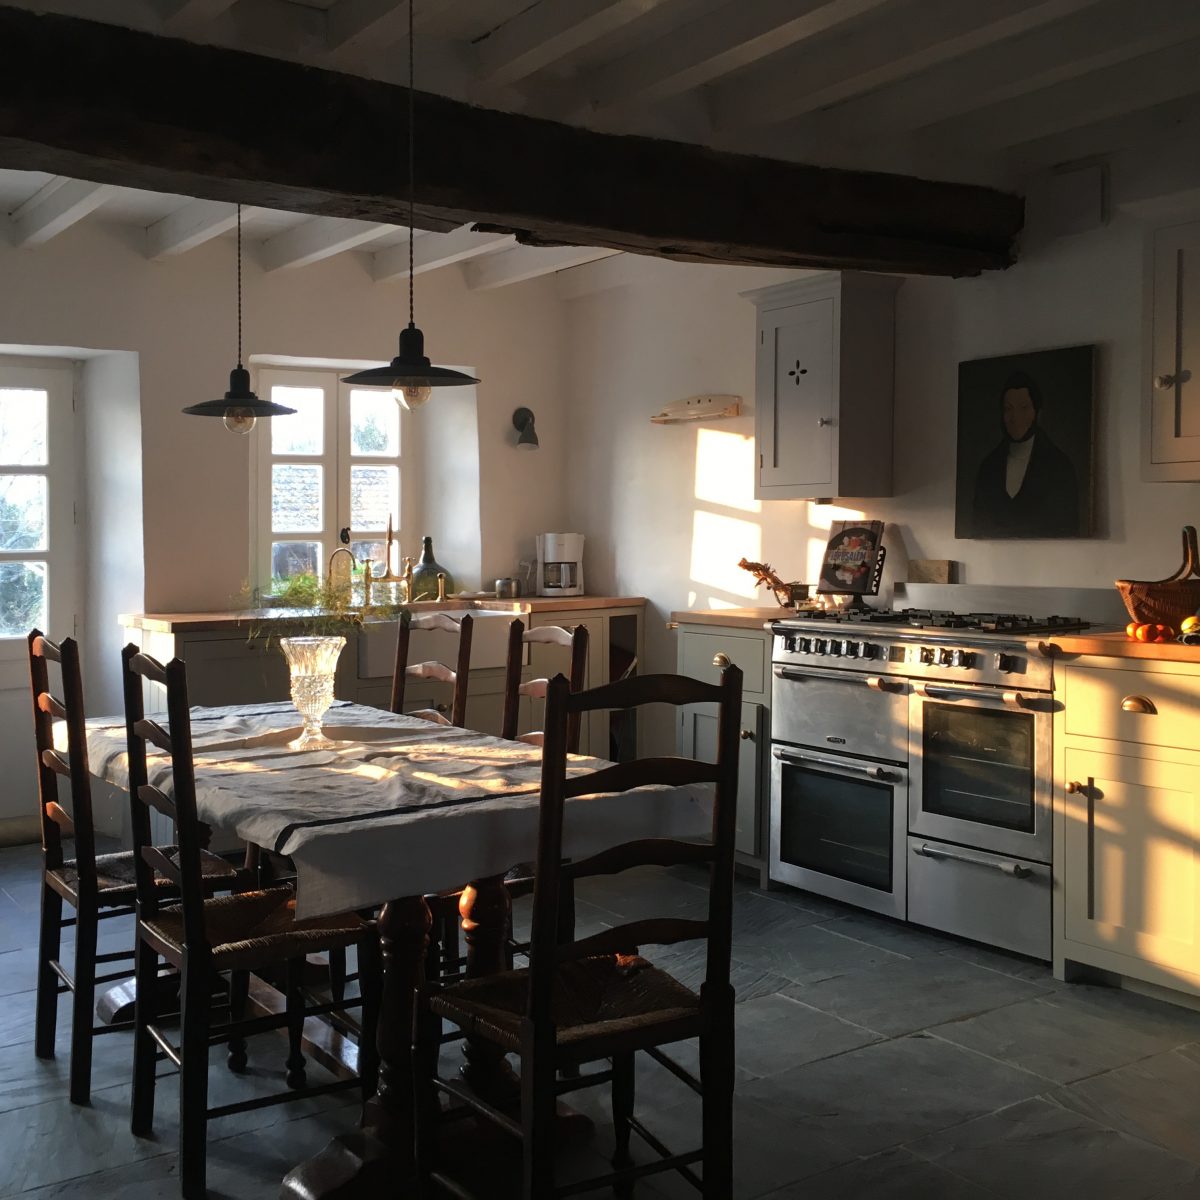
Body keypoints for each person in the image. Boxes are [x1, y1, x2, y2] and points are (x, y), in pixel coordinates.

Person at [970, 371, 1081, 537]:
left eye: (1024, 408)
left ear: (1037, 412)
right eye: (1008, 409)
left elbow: (1066, 527)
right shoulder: (988, 467)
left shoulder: (1059, 466)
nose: (1015, 417)